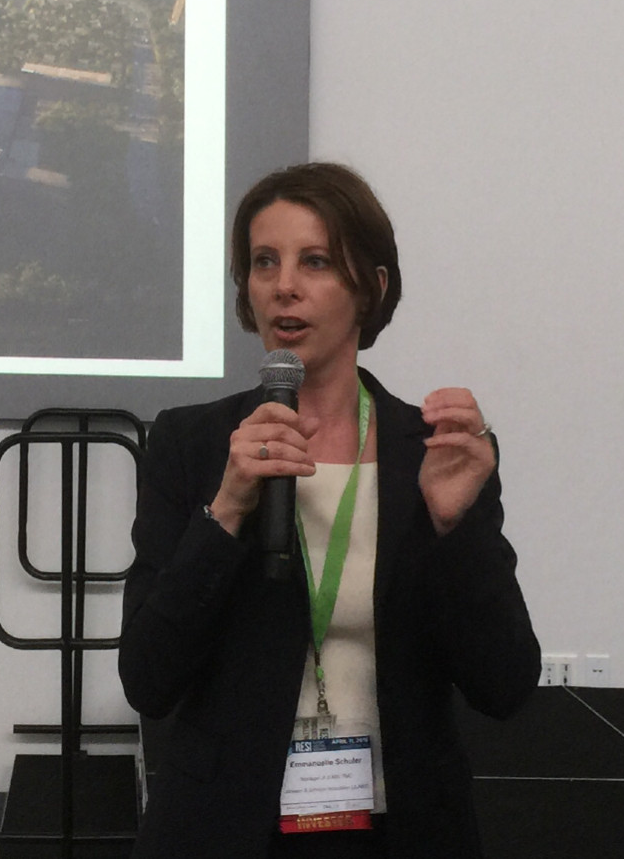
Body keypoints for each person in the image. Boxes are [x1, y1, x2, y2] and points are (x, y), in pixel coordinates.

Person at [120, 162, 540, 859]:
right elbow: (148, 679)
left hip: (402, 827)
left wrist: (454, 529)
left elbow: (505, 685)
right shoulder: (192, 445)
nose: (283, 285)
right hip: (225, 826)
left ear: (372, 287)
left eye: (314, 261)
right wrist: (226, 510)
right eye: (264, 262)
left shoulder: (436, 454)